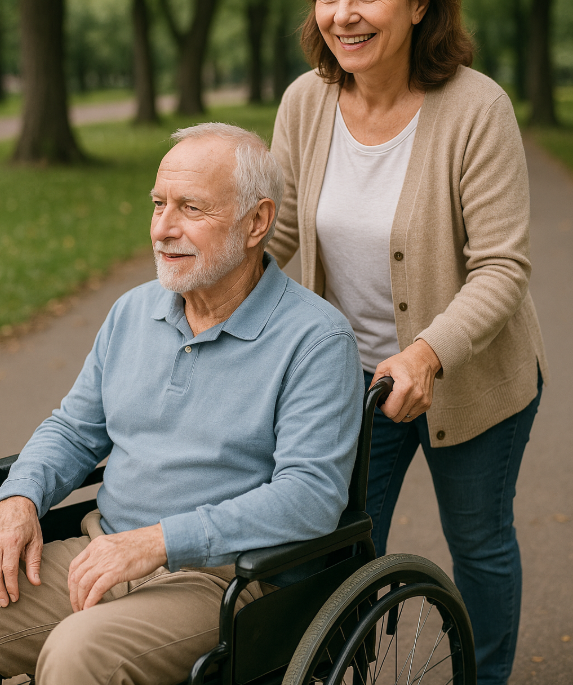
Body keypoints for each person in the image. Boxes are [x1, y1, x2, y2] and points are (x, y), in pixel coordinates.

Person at [267, 0, 548, 685]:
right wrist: (198, 284)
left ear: (419, 0)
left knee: (478, 542)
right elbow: (279, 233)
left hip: (470, 377)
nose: (342, 14)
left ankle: (482, 676)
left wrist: (424, 352)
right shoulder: (304, 102)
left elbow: (500, 266)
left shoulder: (474, 108)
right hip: (349, 379)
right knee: (335, 549)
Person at [0, 123, 363, 685]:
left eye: (191, 208)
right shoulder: (132, 312)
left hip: (223, 583)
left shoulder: (315, 341)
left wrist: (160, 543)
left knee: (78, 654)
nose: (163, 229)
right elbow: (74, 429)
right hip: (101, 551)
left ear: (257, 222)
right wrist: (21, 496)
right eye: (158, 204)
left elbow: (310, 497)